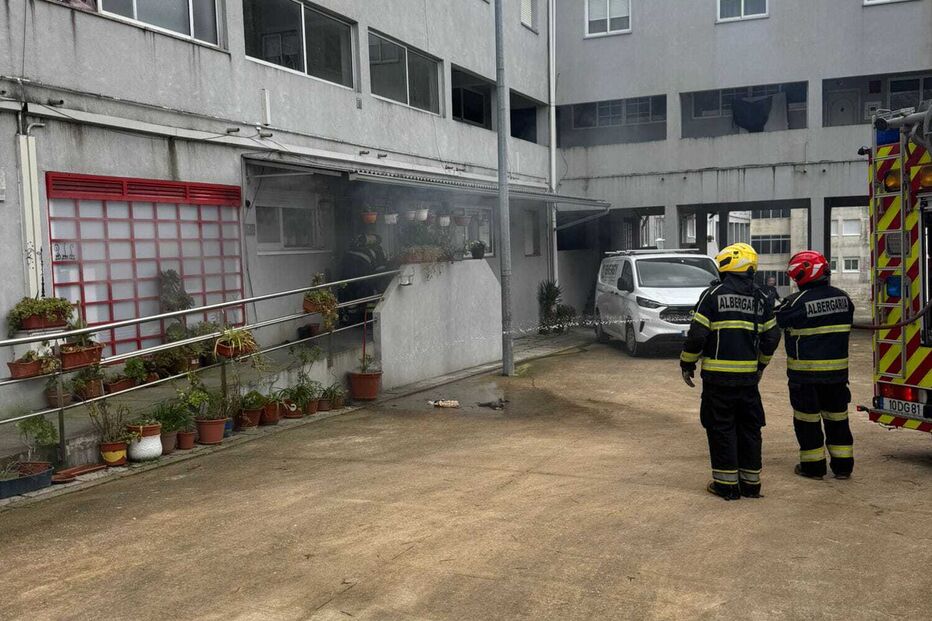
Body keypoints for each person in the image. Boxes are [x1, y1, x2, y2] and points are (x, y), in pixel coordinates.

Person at [680, 243, 781, 500]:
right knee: (750, 427)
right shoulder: (762, 299)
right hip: (748, 381)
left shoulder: (712, 295)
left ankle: (726, 486)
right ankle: (751, 485)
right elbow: (772, 336)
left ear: (726, 266)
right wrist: (761, 365)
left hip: (718, 380)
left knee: (721, 427)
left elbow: (697, 334)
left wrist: (687, 363)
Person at [775, 251, 855, 480]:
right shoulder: (844, 299)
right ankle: (843, 467)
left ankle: (813, 468)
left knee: (807, 422)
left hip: (805, 378)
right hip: (838, 377)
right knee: (838, 419)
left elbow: (774, 320)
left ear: (804, 275)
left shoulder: (795, 303)